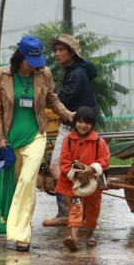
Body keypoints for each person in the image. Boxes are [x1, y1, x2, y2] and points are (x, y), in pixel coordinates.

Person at [0, 35, 74, 252]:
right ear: (20, 57)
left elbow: (51, 99)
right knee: (18, 185)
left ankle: (21, 235)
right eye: (30, 60)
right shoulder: (2, 75)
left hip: (35, 135)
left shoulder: (43, 73)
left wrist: (68, 115)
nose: (34, 66)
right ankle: (20, 224)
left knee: (28, 181)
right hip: (11, 140)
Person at [42, 34, 99, 227]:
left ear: (72, 53)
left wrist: (48, 97)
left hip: (72, 127)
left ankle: (65, 212)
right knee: (71, 168)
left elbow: (65, 98)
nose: (57, 54)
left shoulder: (75, 74)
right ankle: (75, 210)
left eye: (61, 50)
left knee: (56, 167)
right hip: (84, 125)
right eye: (56, 50)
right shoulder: (79, 71)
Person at [55, 106, 110, 251]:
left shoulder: (99, 141)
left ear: (92, 124)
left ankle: (90, 234)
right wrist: (77, 175)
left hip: (94, 186)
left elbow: (104, 160)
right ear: (75, 123)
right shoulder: (68, 140)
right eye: (80, 121)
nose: (83, 125)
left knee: (93, 210)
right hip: (75, 187)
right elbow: (64, 163)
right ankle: (73, 237)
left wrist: (91, 170)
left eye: (87, 122)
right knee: (75, 207)